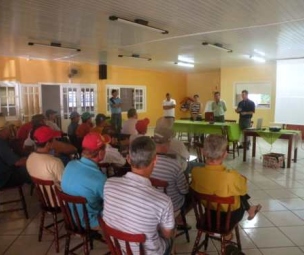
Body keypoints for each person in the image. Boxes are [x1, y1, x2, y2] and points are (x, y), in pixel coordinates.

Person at [103, 136, 175, 255]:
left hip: (118, 248)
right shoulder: (163, 201)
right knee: (171, 233)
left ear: (128, 159)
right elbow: (167, 234)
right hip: (148, 252)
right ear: (155, 160)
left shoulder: (108, 184)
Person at [191, 134, 262, 228]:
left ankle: (250, 210)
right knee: (237, 191)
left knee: (230, 189)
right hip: (230, 216)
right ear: (225, 154)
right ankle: (250, 210)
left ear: (203, 152)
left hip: (210, 213)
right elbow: (243, 190)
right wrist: (241, 178)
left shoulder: (195, 172)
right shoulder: (231, 176)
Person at [61, 132, 108, 229]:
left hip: (70, 217)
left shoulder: (70, 164)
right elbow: (111, 202)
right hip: (88, 222)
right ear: (100, 153)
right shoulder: (99, 179)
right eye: (105, 148)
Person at [151, 126, 189, 213]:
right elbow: (184, 191)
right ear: (168, 144)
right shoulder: (174, 165)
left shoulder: (146, 162)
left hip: (152, 204)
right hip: (172, 205)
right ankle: (179, 218)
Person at [0, 116, 32, 189]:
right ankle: (45, 194)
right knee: (32, 170)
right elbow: (18, 162)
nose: (9, 132)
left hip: (4, 173)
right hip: (4, 179)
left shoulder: (4, 141)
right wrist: (35, 160)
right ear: (2, 131)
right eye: (8, 129)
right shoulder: (1, 143)